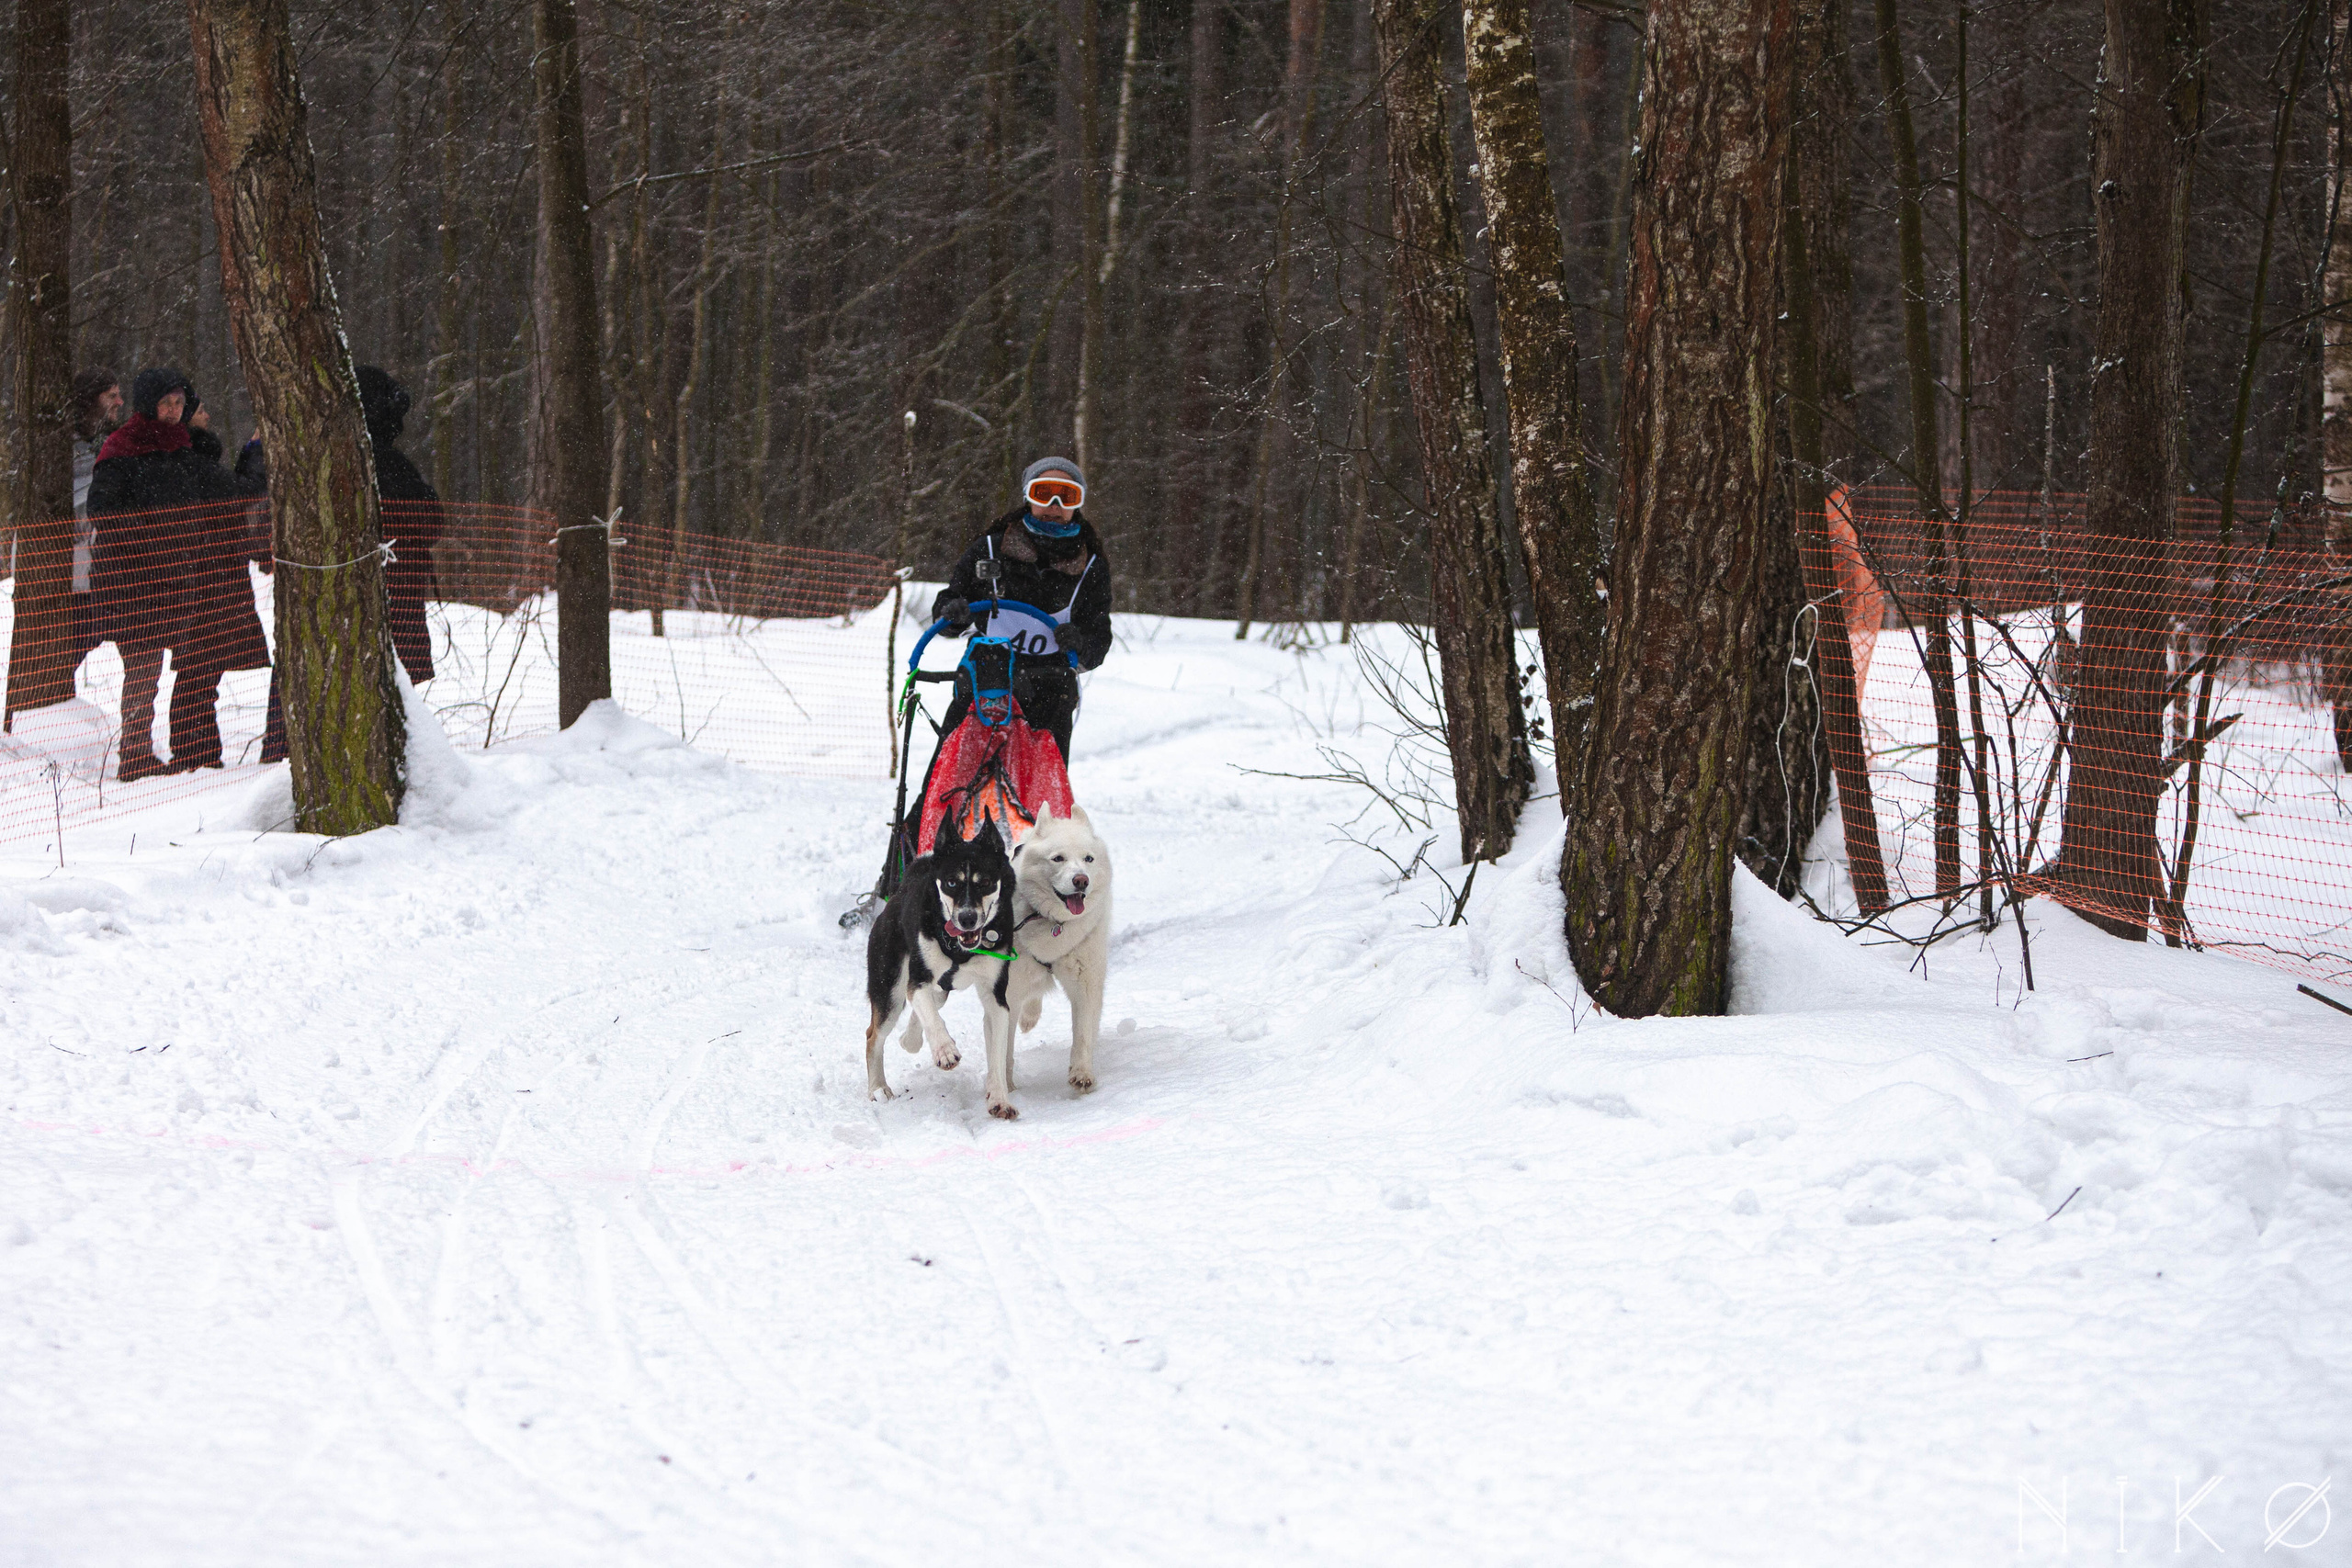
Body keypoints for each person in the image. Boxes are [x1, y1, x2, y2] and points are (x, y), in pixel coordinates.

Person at [246, 364, 444, 764]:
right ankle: (333, 751)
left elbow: (428, 521)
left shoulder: (335, 459)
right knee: (368, 676)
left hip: (358, 594)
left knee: (331, 670)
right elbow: (430, 520)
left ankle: (297, 748)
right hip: (377, 596)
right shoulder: (377, 464)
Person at [86, 367, 266, 779]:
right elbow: (102, 511)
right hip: (130, 579)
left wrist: (255, 453)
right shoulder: (122, 447)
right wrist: (153, 538)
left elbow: (237, 491)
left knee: (192, 664)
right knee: (144, 668)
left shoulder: (183, 451)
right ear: (148, 404)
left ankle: (185, 750)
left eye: (179, 403)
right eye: (165, 402)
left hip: (176, 580)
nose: (172, 410)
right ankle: (134, 756)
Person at [929, 457, 1114, 761]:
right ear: (1028, 496)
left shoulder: (1091, 566)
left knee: (1039, 788)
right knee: (952, 779)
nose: (1054, 506)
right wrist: (953, 614)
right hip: (984, 683)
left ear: (1077, 504)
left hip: (1051, 693)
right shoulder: (990, 549)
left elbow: (1098, 641)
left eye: (1066, 496)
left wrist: (1080, 643)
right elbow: (946, 612)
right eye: (1044, 494)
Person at [67, 368, 125, 668]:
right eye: (112, 396)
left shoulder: (111, 442)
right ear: (91, 399)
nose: (120, 402)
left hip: (99, 573)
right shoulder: (64, 445)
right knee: (69, 651)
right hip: (70, 575)